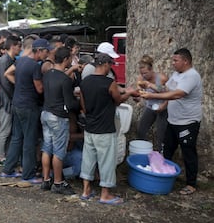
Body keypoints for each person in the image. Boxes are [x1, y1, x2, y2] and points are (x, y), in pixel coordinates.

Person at [140, 48, 202, 195]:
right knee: (166, 149)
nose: (172, 63)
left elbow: (177, 94)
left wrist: (151, 96)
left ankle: (191, 184)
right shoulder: (176, 74)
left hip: (188, 121)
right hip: (173, 120)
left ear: (185, 61)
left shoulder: (192, 76)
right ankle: (163, 176)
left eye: (176, 60)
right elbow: (166, 89)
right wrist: (151, 87)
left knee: (188, 152)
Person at [79, 53, 134, 205]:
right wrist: (128, 93)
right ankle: (105, 194)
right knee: (107, 162)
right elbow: (118, 100)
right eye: (110, 65)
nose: (110, 68)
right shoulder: (109, 83)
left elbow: (83, 106)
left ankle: (86, 190)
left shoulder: (85, 82)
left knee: (88, 159)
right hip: (105, 128)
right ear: (105, 65)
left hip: (90, 127)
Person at [0, 39, 47, 183]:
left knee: (16, 138)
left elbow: (7, 73)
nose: (47, 53)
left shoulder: (20, 61)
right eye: (46, 51)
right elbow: (39, 89)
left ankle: (7, 170)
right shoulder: (35, 66)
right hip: (29, 106)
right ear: (38, 51)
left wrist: (20, 83)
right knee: (29, 140)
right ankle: (28, 174)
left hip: (17, 103)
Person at [40, 47, 77, 194]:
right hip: (58, 117)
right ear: (67, 59)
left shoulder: (48, 74)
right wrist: (78, 102)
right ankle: (58, 182)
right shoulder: (65, 80)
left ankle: (46, 180)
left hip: (45, 113)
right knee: (59, 151)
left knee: (46, 148)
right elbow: (70, 104)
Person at [0, 35, 21, 166]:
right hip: (6, 100)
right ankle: (0, 156)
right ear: (13, 46)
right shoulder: (4, 60)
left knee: (8, 130)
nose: (20, 49)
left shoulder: (12, 59)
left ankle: (6, 155)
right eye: (19, 46)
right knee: (5, 129)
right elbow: (5, 82)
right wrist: (14, 95)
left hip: (9, 99)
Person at [136, 55, 168, 152]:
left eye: (145, 73)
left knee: (161, 134)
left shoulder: (162, 78)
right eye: (142, 73)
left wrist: (164, 105)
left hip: (162, 108)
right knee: (141, 129)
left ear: (151, 70)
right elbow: (138, 92)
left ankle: (160, 154)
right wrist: (138, 96)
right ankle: (143, 150)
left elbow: (170, 95)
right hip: (150, 107)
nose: (144, 75)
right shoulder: (141, 78)